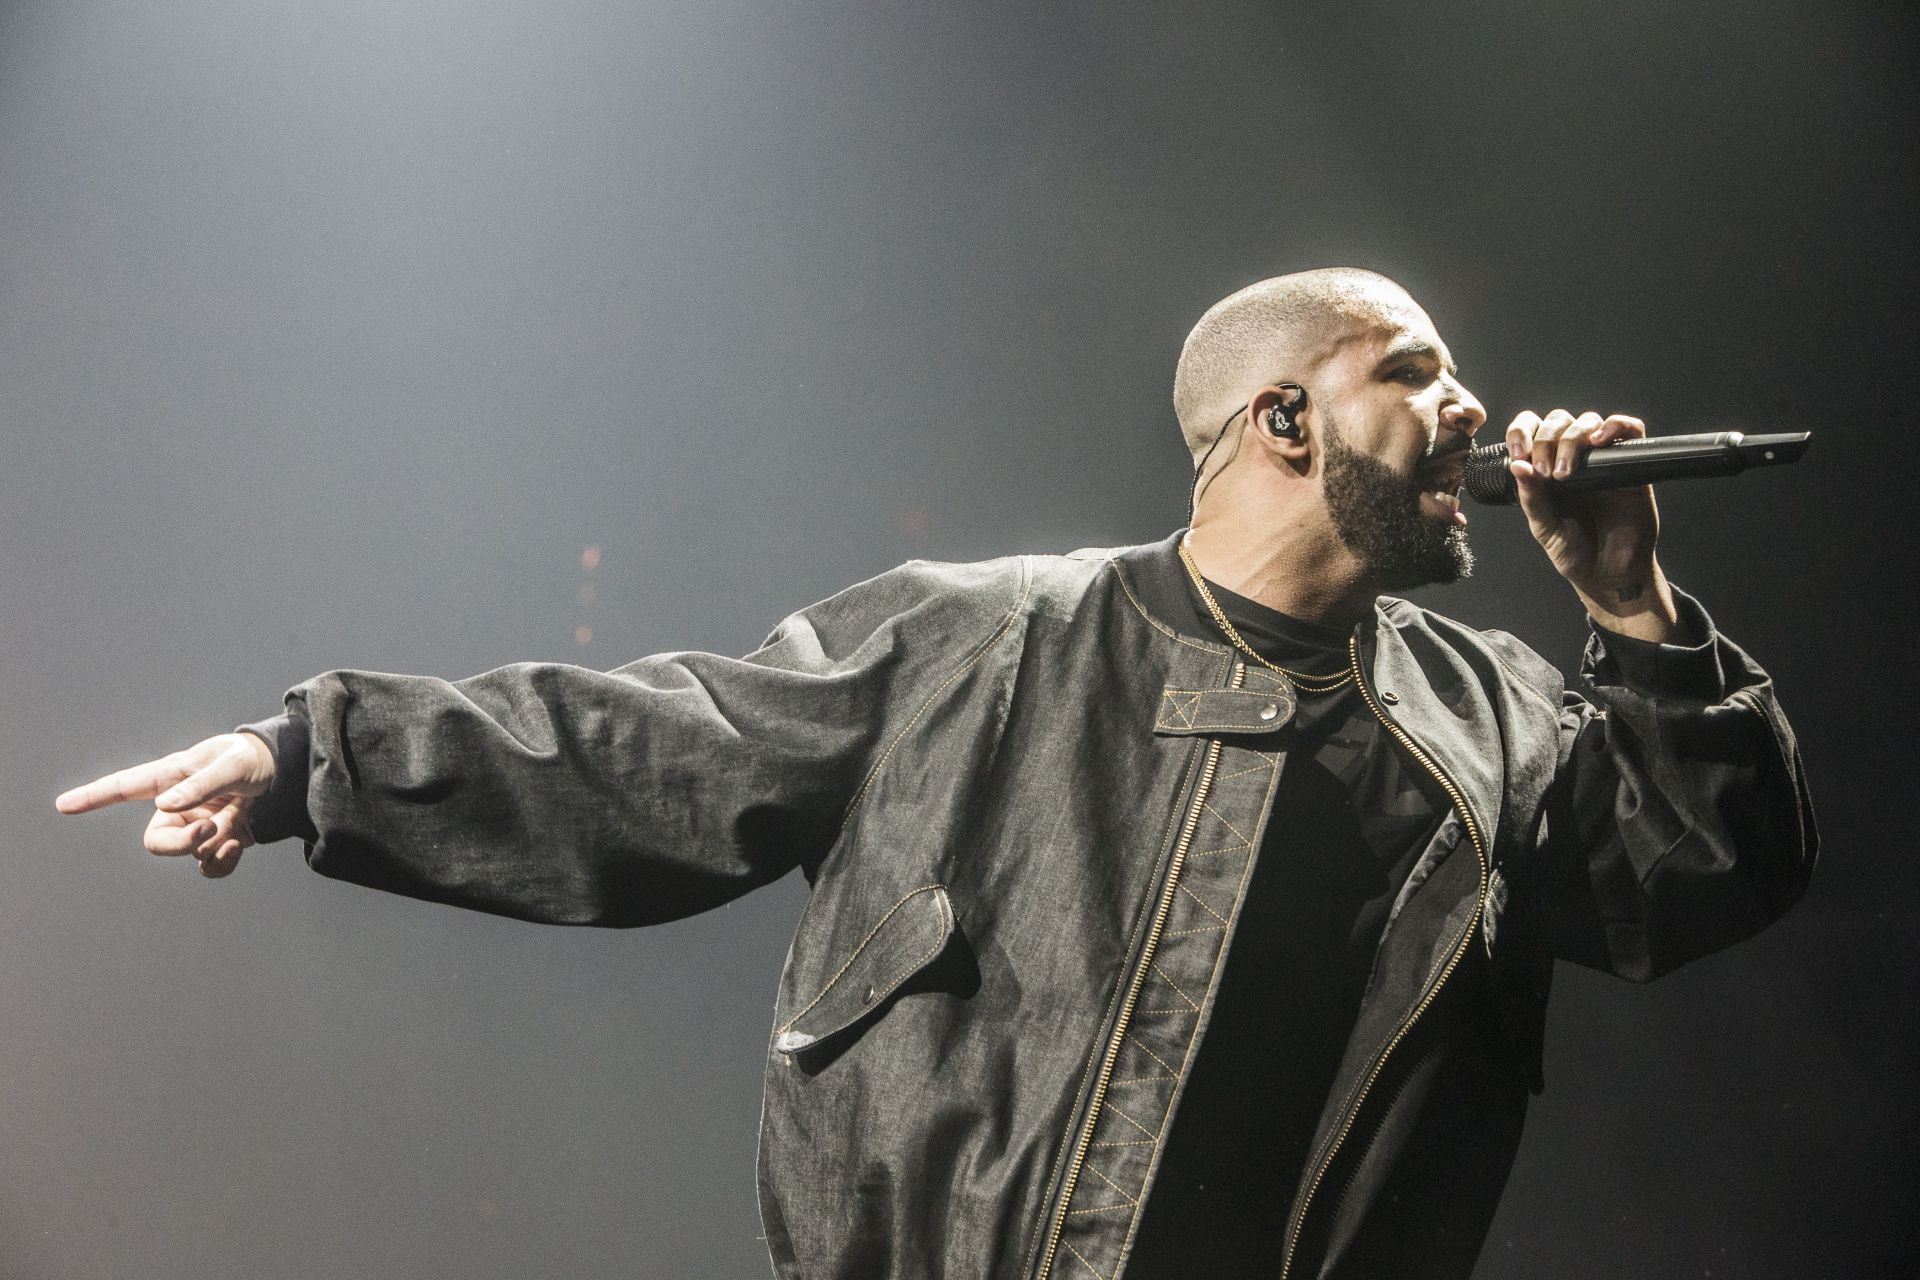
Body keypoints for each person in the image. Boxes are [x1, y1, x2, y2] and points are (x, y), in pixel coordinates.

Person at [55, 268, 1816, 1280]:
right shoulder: (991, 642)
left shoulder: (1494, 718)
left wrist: (1634, 605)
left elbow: (1701, 876)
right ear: (1282, 418)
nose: (1472, 411)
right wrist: (307, 756)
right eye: (1412, 370)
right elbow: (657, 747)